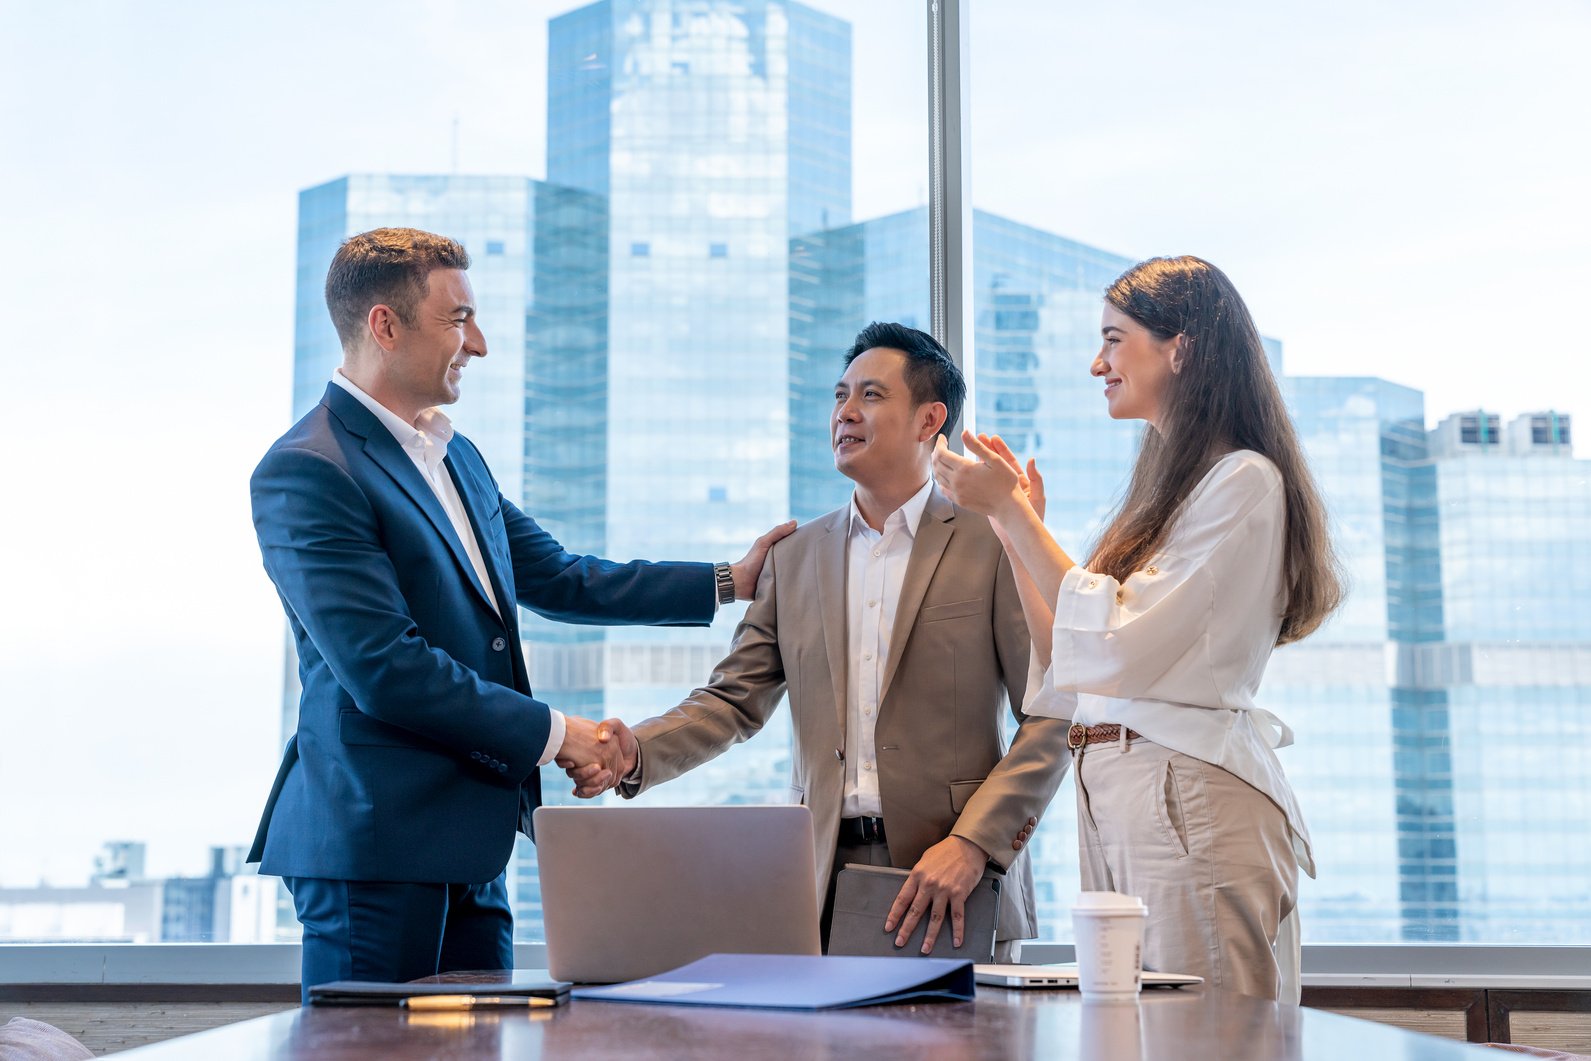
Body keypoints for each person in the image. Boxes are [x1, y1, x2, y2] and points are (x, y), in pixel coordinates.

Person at [248, 227, 793, 1000]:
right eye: (459, 319)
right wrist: (558, 735)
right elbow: (385, 668)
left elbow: (563, 576)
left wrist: (729, 580)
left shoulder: (454, 457)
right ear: (384, 325)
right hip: (373, 848)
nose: (480, 342)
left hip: (473, 842)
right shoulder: (307, 468)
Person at [566, 322, 1071, 959]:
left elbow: (1053, 711)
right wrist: (635, 749)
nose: (846, 412)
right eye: (839, 395)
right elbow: (732, 701)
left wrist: (975, 843)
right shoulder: (794, 557)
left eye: (871, 395)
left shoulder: (994, 538)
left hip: (955, 881)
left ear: (929, 420)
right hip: (821, 879)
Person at [932, 255, 1343, 1002]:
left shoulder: (1244, 480)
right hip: (1125, 787)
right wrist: (1009, 523)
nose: (1098, 363)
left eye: (1114, 339)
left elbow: (1116, 638)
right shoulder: (1172, 493)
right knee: (1138, 1029)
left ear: (1178, 347)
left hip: (1181, 790)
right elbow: (1072, 656)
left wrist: (1015, 516)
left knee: (1207, 1031)